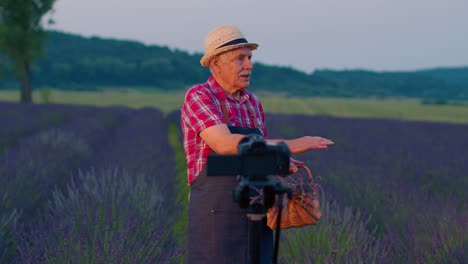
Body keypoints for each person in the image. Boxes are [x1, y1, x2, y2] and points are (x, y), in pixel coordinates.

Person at [181, 25, 334, 264]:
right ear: (216, 63)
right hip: (216, 218)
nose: (249, 66)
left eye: (250, 58)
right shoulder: (200, 96)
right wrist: (290, 144)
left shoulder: (253, 103)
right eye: (239, 59)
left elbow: (248, 157)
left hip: (256, 212)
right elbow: (223, 144)